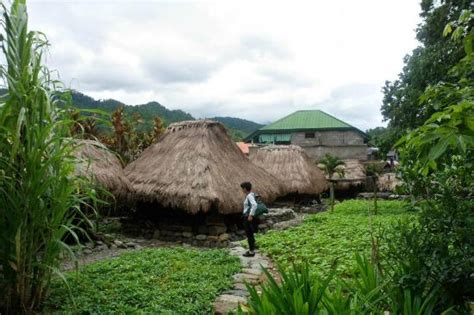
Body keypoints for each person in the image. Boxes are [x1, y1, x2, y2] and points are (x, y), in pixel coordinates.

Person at [241, 181, 258, 257]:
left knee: (249, 234)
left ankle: (251, 251)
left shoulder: (249, 196)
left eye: (242, 188)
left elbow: (254, 205)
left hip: (248, 217)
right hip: (249, 217)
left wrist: (250, 215)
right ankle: (252, 249)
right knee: (250, 234)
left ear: (245, 188)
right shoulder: (252, 194)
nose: (242, 190)